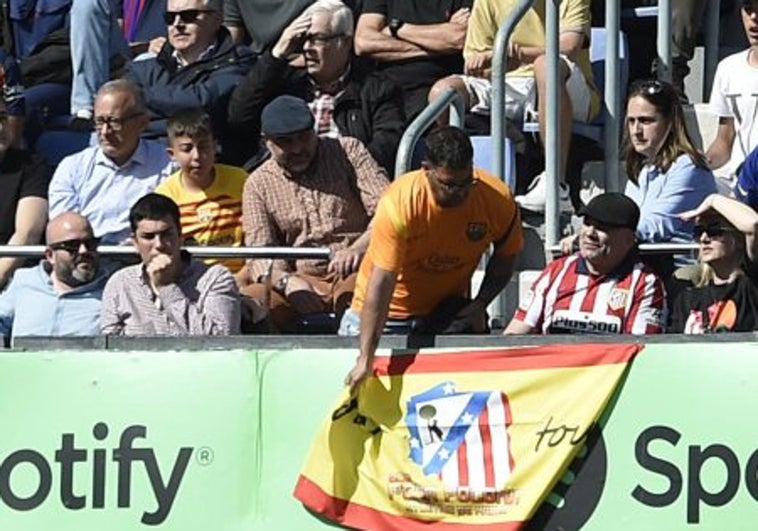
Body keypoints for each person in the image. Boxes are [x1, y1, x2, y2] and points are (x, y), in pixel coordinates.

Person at [343, 126, 524, 390]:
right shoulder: (400, 203)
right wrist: (366, 357)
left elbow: (508, 254)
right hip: (386, 317)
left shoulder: (497, 199)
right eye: (449, 184)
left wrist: (481, 302)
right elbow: (381, 282)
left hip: (445, 318)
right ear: (426, 170)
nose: (460, 193)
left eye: (466, 183)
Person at [429, 0, 600, 214]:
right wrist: (495, 65)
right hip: (507, 81)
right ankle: (450, 180)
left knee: (546, 65)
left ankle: (556, 185)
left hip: (564, 81)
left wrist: (519, 55)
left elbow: (569, 46)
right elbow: (475, 63)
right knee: (444, 91)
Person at [241, 95, 390, 333]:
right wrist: (287, 282)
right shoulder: (257, 184)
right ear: (266, 142)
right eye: (285, 142)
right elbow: (259, 252)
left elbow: (388, 210)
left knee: (363, 299)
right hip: (299, 277)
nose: (298, 148)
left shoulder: (348, 151)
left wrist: (357, 249)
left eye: (303, 137)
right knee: (248, 306)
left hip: (357, 267)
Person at [226, 0, 404, 173]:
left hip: (347, 184)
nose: (307, 47)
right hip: (284, 181)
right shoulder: (286, 83)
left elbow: (386, 146)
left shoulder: (376, 89)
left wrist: (335, 173)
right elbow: (239, 114)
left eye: (317, 39)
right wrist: (277, 53)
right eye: (302, 39)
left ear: (346, 42)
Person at [505, 193, 667, 336]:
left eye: (602, 228)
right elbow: (516, 333)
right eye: (587, 223)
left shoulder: (645, 283)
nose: (590, 233)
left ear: (628, 239)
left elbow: (640, 348)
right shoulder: (556, 271)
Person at [124, 0, 254, 161]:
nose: (178, 24)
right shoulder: (142, 69)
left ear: (216, 20)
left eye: (189, 16)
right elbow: (125, 113)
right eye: (170, 17)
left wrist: (142, 99)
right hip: (144, 163)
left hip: (204, 165)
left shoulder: (239, 61)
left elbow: (202, 102)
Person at [48, 79, 171, 245]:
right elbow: (64, 230)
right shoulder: (72, 168)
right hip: (87, 258)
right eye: (99, 122)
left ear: (142, 123)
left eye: (114, 122)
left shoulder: (167, 164)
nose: (105, 132)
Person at [101, 193, 241, 335]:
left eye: (166, 234)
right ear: (135, 243)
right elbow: (109, 346)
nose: (159, 245)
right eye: (148, 237)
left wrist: (167, 288)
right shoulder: (120, 283)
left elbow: (221, 341)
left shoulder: (215, 278)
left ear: (180, 236)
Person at [155, 107, 247, 278]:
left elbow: (258, 235)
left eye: (204, 146)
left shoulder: (239, 180)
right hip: (191, 281)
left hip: (241, 276)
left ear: (215, 146)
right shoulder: (165, 197)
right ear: (171, 154)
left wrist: (243, 277)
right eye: (187, 148)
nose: (197, 156)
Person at [623, 79, 717, 244]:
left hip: (679, 264)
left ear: (670, 122)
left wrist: (609, 234)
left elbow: (656, 226)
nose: (636, 131)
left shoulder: (689, 167)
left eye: (645, 121)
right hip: (643, 260)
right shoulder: (641, 169)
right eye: (632, 121)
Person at [354, 0, 473, 122]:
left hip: (434, 88)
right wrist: (438, 45)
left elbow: (459, 38)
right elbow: (363, 42)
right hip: (386, 90)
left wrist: (397, 28)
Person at [0, 212, 107, 343]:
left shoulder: (109, 289)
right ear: (50, 255)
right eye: (72, 246)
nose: (84, 251)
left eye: (90, 244)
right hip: (24, 362)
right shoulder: (25, 280)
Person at [671, 194, 758, 333]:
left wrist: (712, 200)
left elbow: (753, 224)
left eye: (714, 231)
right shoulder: (686, 300)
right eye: (699, 232)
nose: (704, 238)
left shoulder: (751, 287)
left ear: (740, 240)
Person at [0, 97, 51, 290]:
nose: (0, 128)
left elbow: (27, 234)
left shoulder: (31, 166)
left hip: (11, 278)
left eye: (3, 118)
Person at [706, 0, 758, 179]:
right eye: (749, 9)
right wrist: (701, 162)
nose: (753, 18)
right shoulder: (728, 68)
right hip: (736, 183)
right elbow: (724, 140)